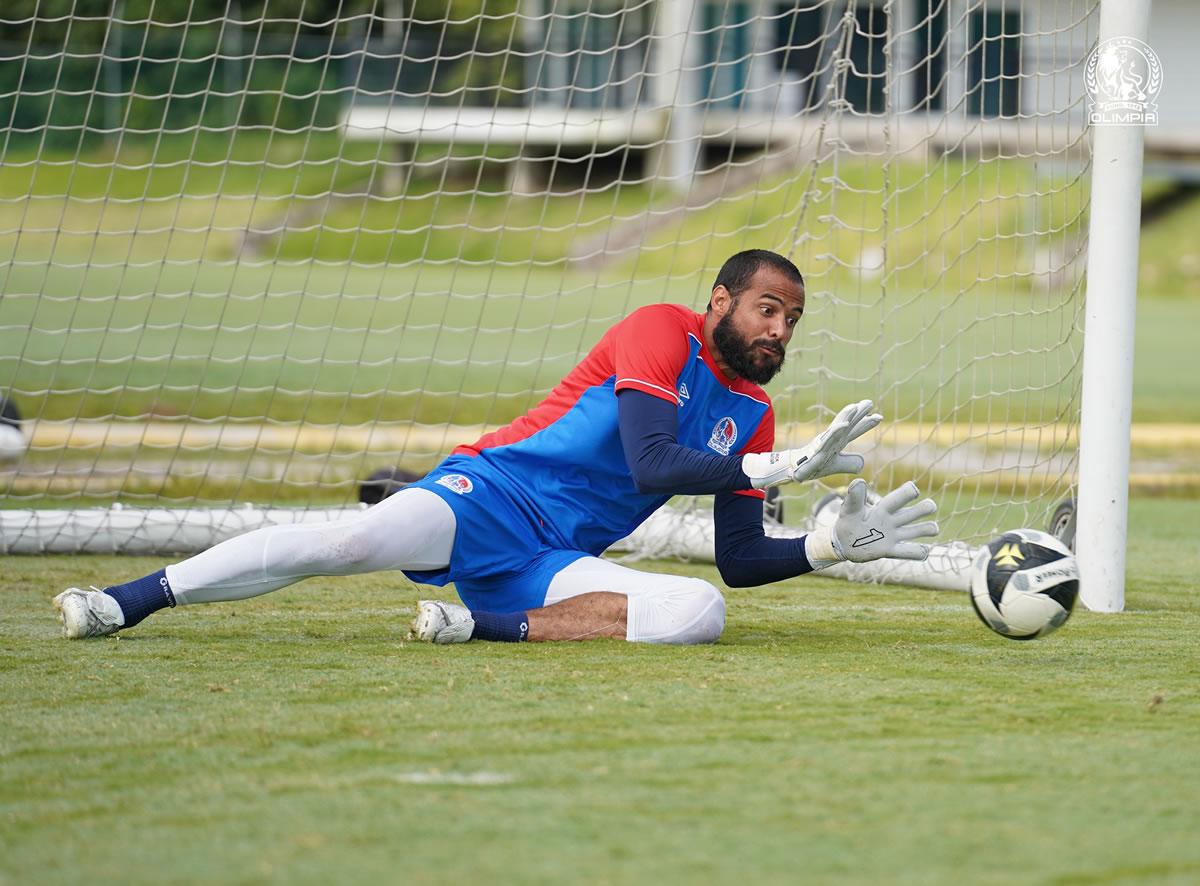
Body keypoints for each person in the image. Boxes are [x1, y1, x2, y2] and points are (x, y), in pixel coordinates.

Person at [54, 249, 938, 645]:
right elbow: (650, 463)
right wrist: (776, 469)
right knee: (348, 543)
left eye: (793, 319)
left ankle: (476, 626)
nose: (780, 329)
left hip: (551, 561)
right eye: (767, 309)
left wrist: (823, 550)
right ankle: (130, 599)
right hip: (490, 492)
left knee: (701, 614)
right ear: (719, 302)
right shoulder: (659, 329)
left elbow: (739, 563)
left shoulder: (756, 415)